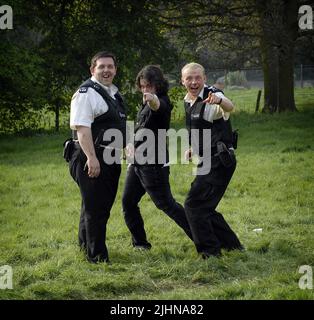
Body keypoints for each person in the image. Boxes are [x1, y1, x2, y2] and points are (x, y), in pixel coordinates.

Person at [122, 65, 193, 250]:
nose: (146, 90)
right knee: (128, 203)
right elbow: (140, 130)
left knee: (166, 204)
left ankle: (204, 238)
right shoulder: (143, 105)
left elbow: (157, 106)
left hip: (154, 165)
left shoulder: (162, 102)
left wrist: (152, 99)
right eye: (143, 86)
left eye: (150, 86)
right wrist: (130, 145)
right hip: (137, 164)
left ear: (158, 86)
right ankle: (140, 244)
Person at [69, 51, 127, 263]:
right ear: (92, 70)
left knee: (94, 206)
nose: (106, 70)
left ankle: (85, 248)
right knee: (96, 209)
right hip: (91, 157)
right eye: (101, 66)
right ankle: (98, 257)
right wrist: (91, 159)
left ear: (115, 70)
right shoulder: (87, 93)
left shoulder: (113, 93)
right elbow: (82, 129)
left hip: (110, 158)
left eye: (110, 66)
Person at [181, 62, 243, 258]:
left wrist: (219, 101)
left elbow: (230, 106)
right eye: (189, 78)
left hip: (220, 161)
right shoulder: (188, 100)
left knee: (193, 206)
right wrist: (193, 148)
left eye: (197, 77)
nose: (193, 81)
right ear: (183, 81)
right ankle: (232, 245)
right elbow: (202, 128)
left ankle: (210, 253)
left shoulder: (212, 96)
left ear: (204, 79)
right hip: (207, 159)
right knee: (204, 207)